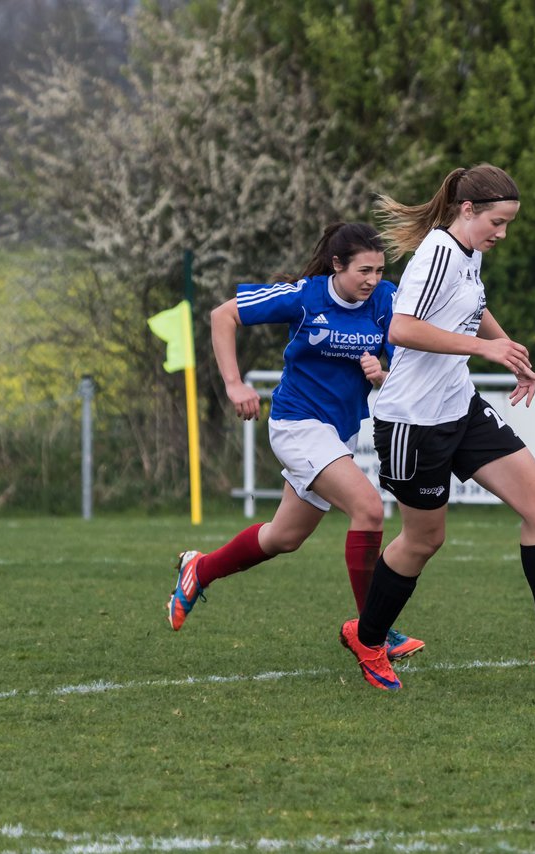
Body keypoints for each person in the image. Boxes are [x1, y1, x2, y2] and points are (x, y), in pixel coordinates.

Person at [337, 164, 535, 691]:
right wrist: (484, 348)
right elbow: (401, 328)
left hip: (458, 406)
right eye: (497, 221)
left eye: (509, 223)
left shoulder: (468, 255)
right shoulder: (437, 253)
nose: (502, 233)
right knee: (424, 540)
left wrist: (508, 349)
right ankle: (369, 638)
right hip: (412, 422)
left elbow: (474, 308)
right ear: (467, 211)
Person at [166, 222, 424, 661]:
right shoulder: (306, 296)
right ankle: (372, 632)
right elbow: (222, 316)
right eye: (364, 270)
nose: (373, 280)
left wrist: (382, 375)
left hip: (337, 433)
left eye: (380, 270)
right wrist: (234, 384)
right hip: (297, 425)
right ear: (337, 265)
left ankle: (200, 569)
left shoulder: (385, 301)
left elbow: (402, 365)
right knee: (367, 508)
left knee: (283, 537)